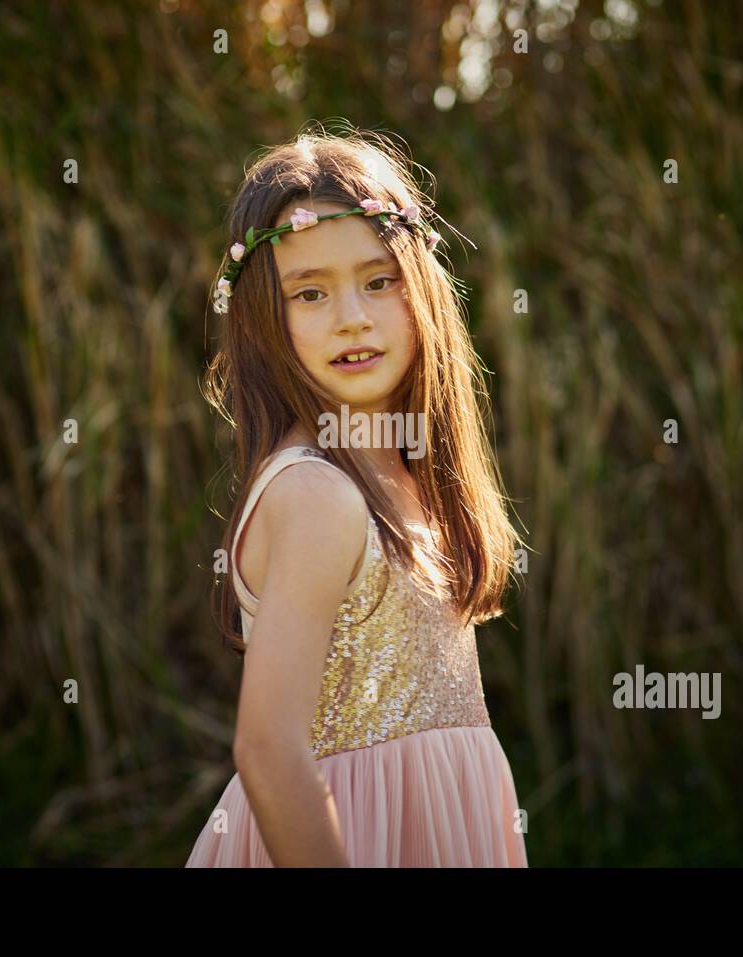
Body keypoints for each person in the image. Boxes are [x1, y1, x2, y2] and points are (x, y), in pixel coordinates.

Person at [186, 125, 528, 867]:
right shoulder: (317, 494)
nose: (353, 316)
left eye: (379, 280)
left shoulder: (402, 471)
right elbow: (270, 750)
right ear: (263, 319)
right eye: (310, 292)